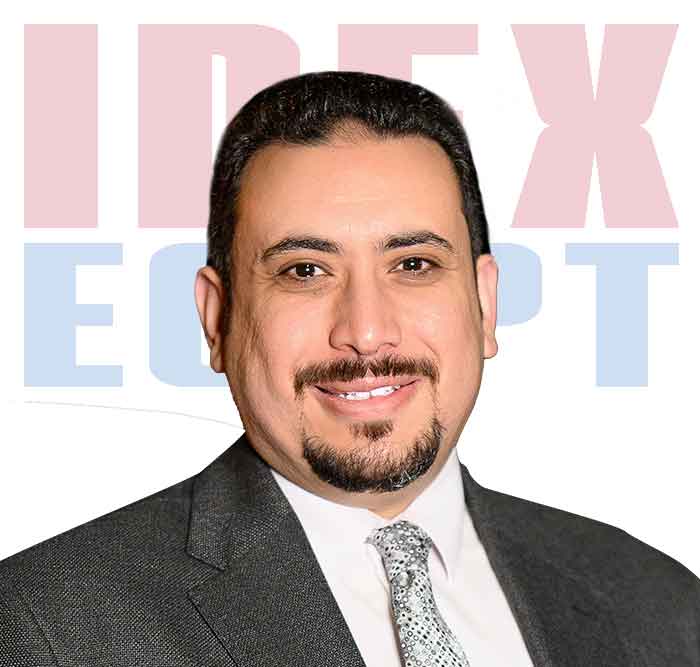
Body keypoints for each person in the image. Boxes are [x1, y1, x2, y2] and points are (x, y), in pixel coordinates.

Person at [1, 71, 698, 667]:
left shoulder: (660, 604)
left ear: (485, 304)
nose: (365, 332)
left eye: (414, 264)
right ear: (217, 319)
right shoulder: (47, 627)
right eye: (305, 271)